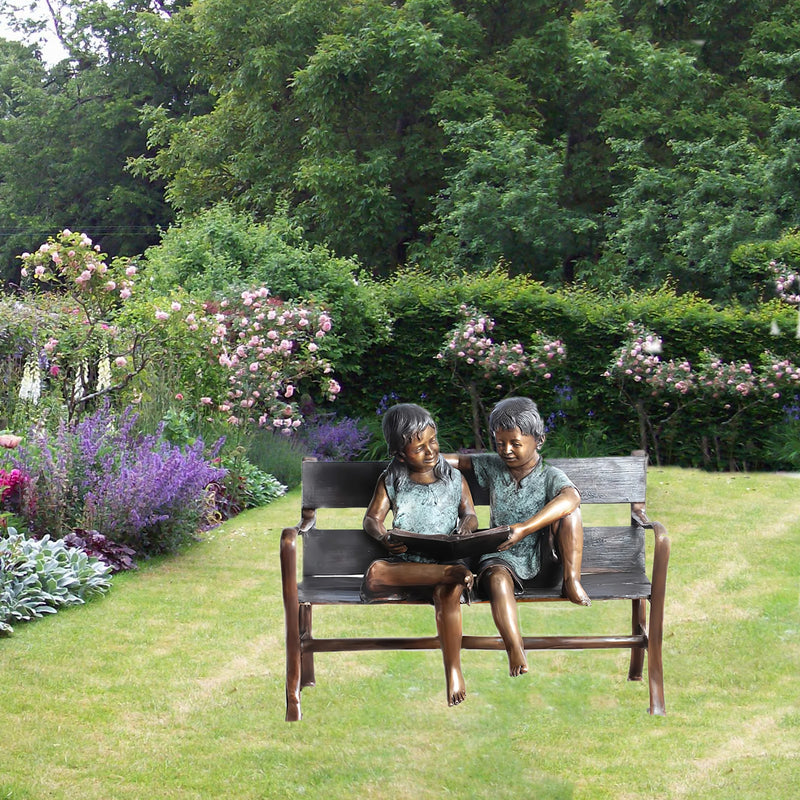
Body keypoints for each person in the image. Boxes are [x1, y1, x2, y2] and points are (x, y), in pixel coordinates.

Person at [446, 396, 590, 678]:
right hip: (501, 554)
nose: (507, 451)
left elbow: (572, 496)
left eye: (515, 443)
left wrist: (525, 528)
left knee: (571, 511)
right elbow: (459, 461)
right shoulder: (493, 467)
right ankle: (515, 648)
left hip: (544, 558)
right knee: (497, 579)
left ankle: (572, 581)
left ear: (539, 440)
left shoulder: (549, 475)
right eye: (500, 444)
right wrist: (424, 455)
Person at [363, 403, 478, 707]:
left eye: (433, 442)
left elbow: (470, 514)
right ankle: (450, 575)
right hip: (405, 567)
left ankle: (453, 671)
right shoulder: (393, 479)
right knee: (377, 572)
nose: (430, 452)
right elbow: (372, 519)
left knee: (449, 590)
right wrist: (384, 537)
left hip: (443, 561)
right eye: (419, 448)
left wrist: (465, 528)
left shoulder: (454, 478)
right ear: (400, 454)